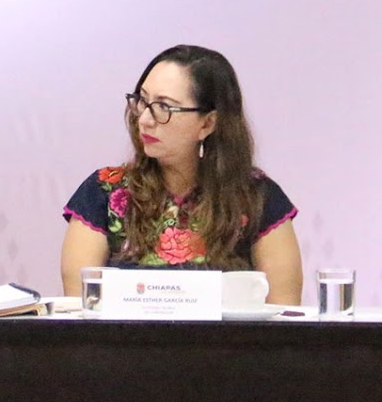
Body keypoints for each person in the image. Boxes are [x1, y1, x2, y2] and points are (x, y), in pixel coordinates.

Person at [60, 44, 303, 303]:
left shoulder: (257, 199)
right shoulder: (105, 193)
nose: (144, 119)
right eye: (143, 101)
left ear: (208, 123)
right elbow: (81, 311)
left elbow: (284, 314)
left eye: (164, 107)